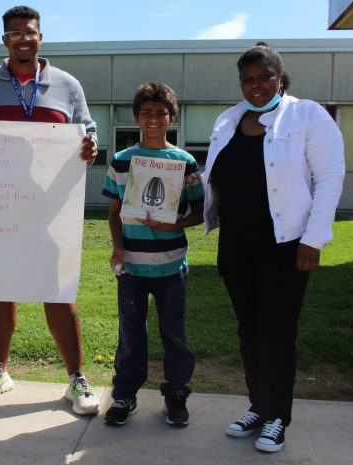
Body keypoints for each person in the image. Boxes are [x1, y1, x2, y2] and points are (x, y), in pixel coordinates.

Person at [0, 5, 100, 416]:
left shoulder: (67, 85)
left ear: (41, 37)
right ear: (5, 39)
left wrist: (90, 147)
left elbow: (87, 132)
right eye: (15, 33)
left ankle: (76, 378)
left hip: (51, 210)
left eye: (30, 32)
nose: (24, 39)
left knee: (58, 292)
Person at [202, 42, 345, 452]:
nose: (256, 85)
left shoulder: (306, 116)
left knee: (277, 332)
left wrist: (314, 240)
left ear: (280, 77)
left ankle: (278, 416)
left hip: (285, 245)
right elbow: (215, 176)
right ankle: (258, 406)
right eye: (247, 79)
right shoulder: (229, 119)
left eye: (264, 76)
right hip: (235, 244)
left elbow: (330, 178)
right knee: (248, 330)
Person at [101, 83, 204, 427]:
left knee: (174, 333)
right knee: (131, 334)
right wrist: (118, 248)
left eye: (161, 113)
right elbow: (114, 212)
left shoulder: (184, 161)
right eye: (147, 113)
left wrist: (174, 224)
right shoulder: (121, 160)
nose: (154, 119)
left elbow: (201, 212)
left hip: (172, 265)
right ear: (136, 118)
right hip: (131, 266)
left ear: (172, 117)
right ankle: (125, 395)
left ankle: (176, 394)